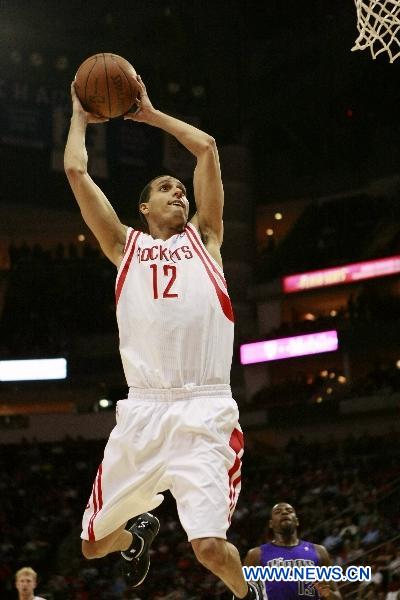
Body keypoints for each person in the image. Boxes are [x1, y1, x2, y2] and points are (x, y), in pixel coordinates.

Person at [64, 74, 265, 600]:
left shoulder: (208, 238)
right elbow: (74, 169)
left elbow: (206, 148)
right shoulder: (122, 246)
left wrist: (147, 113)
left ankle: (261, 596)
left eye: (180, 189)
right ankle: (137, 535)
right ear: (144, 209)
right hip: (144, 412)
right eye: (164, 190)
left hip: (204, 409)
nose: (177, 193)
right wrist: (80, 118)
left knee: (209, 550)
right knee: (91, 545)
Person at [244, 503, 342, 599]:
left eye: (289, 511)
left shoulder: (319, 551)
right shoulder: (256, 554)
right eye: (278, 512)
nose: (284, 513)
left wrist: (328, 594)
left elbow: (337, 596)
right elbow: (245, 595)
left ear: (297, 521)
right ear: (271, 524)